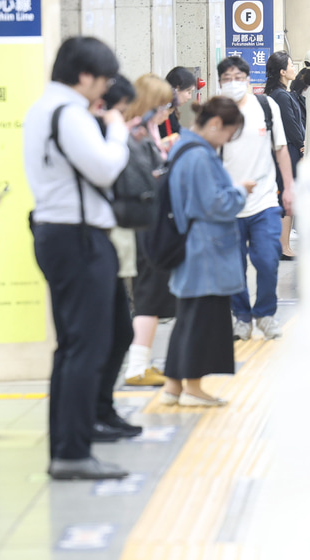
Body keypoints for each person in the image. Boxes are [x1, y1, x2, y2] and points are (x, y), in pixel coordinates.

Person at [23, 37, 132, 481]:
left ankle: (74, 442)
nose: (104, 90)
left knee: (78, 345)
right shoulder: (69, 114)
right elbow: (106, 168)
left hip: (61, 234)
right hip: (78, 238)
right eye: (102, 79)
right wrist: (119, 131)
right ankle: (72, 450)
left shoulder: (43, 109)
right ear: (84, 75)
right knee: (83, 347)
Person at [159, 97, 255, 406]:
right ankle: (193, 388)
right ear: (215, 125)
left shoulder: (183, 148)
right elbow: (213, 204)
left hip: (194, 247)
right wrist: (239, 191)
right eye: (228, 133)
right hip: (206, 250)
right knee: (202, 319)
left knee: (188, 318)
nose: (227, 141)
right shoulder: (199, 156)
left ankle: (173, 387)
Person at [217, 56, 295, 341]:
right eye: (227, 78)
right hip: (229, 204)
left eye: (239, 77)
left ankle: (265, 313)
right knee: (233, 266)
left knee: (267, 259)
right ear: (220, 82)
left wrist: (288, 187)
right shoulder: (214, 112)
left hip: (263, 201)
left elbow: (282, 150)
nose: (233, 83)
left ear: (248, 79)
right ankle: (241, 317)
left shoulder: (265, 106)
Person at [93, 75, 145, 442]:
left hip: (108, 238)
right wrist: (116, 132)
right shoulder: (86, 128)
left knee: (120, 332)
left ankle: (103, 409)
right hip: (88, 241)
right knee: (92, 340)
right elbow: (108, 170)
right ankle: (92, 416)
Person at [122, 74, 178, 388]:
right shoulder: (134, 134)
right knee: (149, 295)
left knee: (151, 298)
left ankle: (141, 363)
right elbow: (146, 176)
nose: (163, 111)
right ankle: (137, 366)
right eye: (159, 105)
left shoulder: (145, 131)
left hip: (148, 223)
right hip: (144, 225)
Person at [264, 52, 303, 260]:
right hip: (289, 150)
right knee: (286, 197)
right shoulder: (280, 95)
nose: (293, 68)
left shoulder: (281, 93)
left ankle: (284, 245)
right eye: (290, 65)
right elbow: (291, 125)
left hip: (290, 149)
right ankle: (283, 246)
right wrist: (302, 145)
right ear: (282, 71)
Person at [159, 66, 198, 144]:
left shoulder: (171, 112)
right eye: (188, 92)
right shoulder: (162, 112)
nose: (189, 97)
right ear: (176, 89)